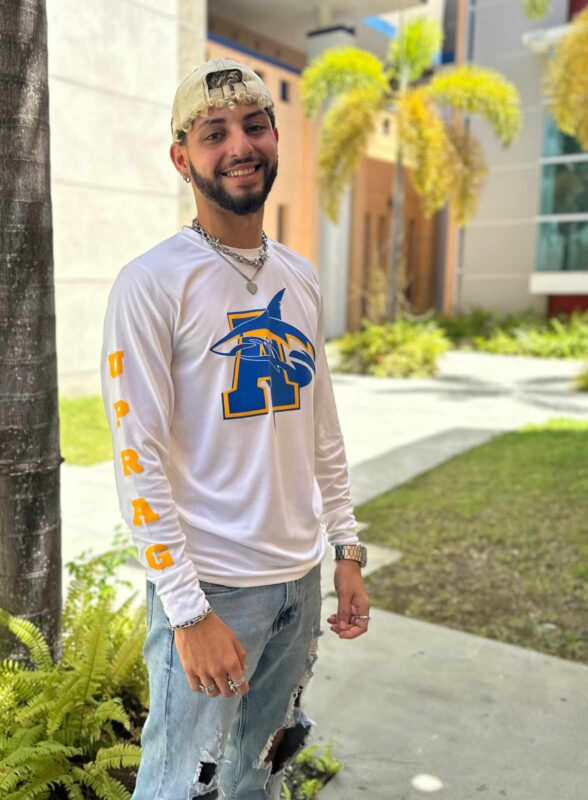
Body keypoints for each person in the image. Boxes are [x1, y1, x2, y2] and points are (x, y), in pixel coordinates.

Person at [100, 57, 370, 800]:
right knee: (177, 782)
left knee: (259, 770)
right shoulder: (152, 282)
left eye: (255, 126)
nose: (240, 145)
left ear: (276, 137)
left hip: (298, 583)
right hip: (213, 589)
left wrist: (345, 548)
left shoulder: (300, 276)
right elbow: (137, 459)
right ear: (182, 157)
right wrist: (188, 614)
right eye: (215, 132)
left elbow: (321, 425)